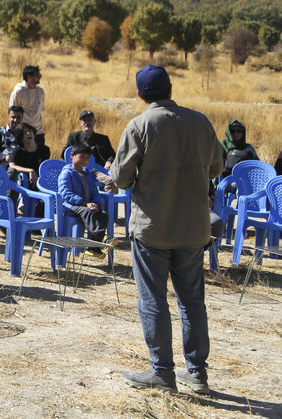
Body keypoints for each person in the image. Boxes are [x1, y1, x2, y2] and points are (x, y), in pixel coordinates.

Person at [111, 64, 222, 395]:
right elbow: (216, 166)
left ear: (140, 94)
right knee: (192, 301)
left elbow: (120, 179)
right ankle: (198, 373)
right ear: (171, 89)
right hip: (193, 227)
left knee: (153, 300)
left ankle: (161, 372)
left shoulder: (139, 125)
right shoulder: (200, 122)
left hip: (153, 230)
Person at [57, 144, 110, 253]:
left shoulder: (88, 174)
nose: (84, 161)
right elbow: (65, 194)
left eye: (87, 158)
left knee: (103, 214)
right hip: (71, 206)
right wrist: (85, 203)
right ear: (72, 155)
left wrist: (94, 202)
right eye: (81, 157)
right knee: (88, 212)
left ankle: (93, 248)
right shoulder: (66, 173)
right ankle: (102, 239)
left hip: (86, 205)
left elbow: (94, 191)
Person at [10, 65, 46, 150]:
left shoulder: (40, 91)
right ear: (29, 77)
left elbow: (41, 109)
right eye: (37, 76)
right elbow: (12, 112)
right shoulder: (18, 92)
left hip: (38, 131)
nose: (39, 78)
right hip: (24, 132)